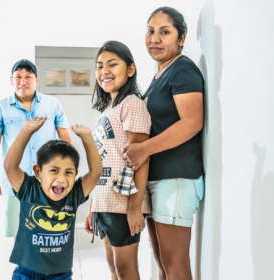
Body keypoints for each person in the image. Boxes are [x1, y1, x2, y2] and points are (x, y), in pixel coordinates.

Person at [123, 7, 205, 280]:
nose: (154, 38)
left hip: (177, 179)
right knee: (162, 263)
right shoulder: (159, 76)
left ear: (181, 38)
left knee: (174, 264)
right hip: (160, 179)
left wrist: (143, 149)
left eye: (164, 32)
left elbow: (192, 122)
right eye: (150, 31)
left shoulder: (182, 70)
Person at [84, 41, 152, 280]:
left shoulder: (132, 103)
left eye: (113, 64)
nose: (104, 71)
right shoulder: (107, 109)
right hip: (104, 202)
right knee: (113, 267)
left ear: (130, 70)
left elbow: (141, 158)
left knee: (125, 268)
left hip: (124, 204)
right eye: (100, 66)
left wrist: (135, 208)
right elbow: (101, 161)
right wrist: (93, 205)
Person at [4, 118, 102, 279]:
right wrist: (26, 132)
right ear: (38, 172)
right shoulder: (29, 190)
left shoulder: (74, 194)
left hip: (60, 274)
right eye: (54, 170)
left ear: (75, 174)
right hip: (27, 272)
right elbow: (10, 166)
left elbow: (95, 172)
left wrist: (87, 139)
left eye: (68, 172)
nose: (62, 179)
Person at [0, 59, 72, 237]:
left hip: (47, 182)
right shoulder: (1, 107)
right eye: (18, 77)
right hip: (15, 183)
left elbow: (65, 139)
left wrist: (69, 174)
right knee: (16, 236)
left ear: (37, 79)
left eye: (28, 76)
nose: (22, 81)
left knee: (47, 234)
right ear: (11, 80)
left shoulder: (53, 104)